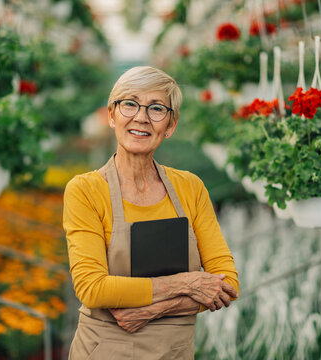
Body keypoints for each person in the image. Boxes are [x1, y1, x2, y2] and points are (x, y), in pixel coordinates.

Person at [63, 66, 239, 359]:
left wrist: (153, 309)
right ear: (111, 115)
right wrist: (187, 283)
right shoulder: (86, 190)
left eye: (157, 108)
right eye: (129, 104)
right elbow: (92, 288)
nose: (141, 117)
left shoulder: (190, 188)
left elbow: (227, 282)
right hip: (105, 351)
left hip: (175, 351)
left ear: (170, 125)